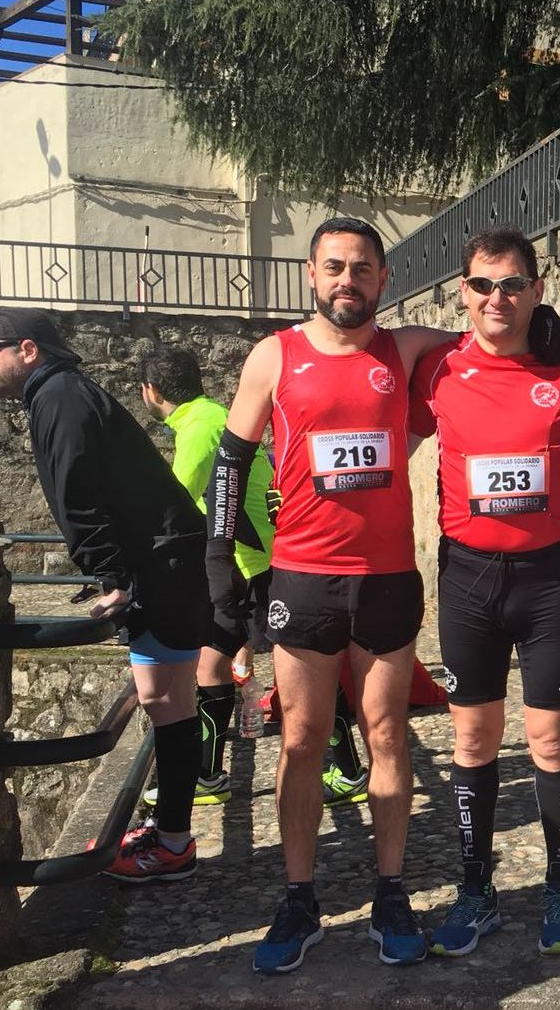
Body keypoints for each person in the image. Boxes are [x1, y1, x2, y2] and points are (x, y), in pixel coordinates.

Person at [208, 217, 456, 973]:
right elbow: (230, 456)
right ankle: (299, 895)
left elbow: (487, 340)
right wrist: (219, 558)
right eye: (335, 267)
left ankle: (389, 889)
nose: (349, 280)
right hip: (304, 579)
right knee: (303, 738)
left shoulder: (405, 348)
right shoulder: (274, 356)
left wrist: (539, 324)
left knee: (386, 733)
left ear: (384, 279)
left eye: (364, 268)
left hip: (385, 581)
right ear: (312, 275)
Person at [407, 225, 560, 958]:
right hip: (467, 576)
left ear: (537, 289)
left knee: (551, 737)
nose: (499, 297)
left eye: (514, 283)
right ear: (464, 292)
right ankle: (475, 886)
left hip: (551, 575)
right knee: (471, 735)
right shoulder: (438, 367)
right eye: (484, 284)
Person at [0, 308, 207, 883]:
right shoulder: (65, 393)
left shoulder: (59, 399)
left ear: (27, 350)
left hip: (161, 565)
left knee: (168, 701)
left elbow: (75, 496)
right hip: (169, 558)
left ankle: (174, 843)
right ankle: (174, 832)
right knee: (167, 699)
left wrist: (111, 577)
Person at [138, 348, 371, 809]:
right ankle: (207, 776)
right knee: (212, 664)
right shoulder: (208, 417)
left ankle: (346, 770)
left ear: (151, 391)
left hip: (258, 566)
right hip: (240, 568)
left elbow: (168, 504)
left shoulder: (201, 428)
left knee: (304, 668)